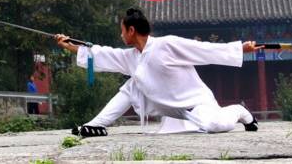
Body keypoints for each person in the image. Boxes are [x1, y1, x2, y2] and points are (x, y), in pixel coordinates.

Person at [55, 8, 260, 137]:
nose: (121, 34)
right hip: (168, 108)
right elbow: (102, 54)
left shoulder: (167, 45)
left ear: (131, 30)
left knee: (214, 124)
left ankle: (240, 112)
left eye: (122, 30)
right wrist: (69, 45)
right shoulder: (131, 57)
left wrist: (240, 48)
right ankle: (95, 126)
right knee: (132, 85)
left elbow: (204, 50)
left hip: (194, 103)